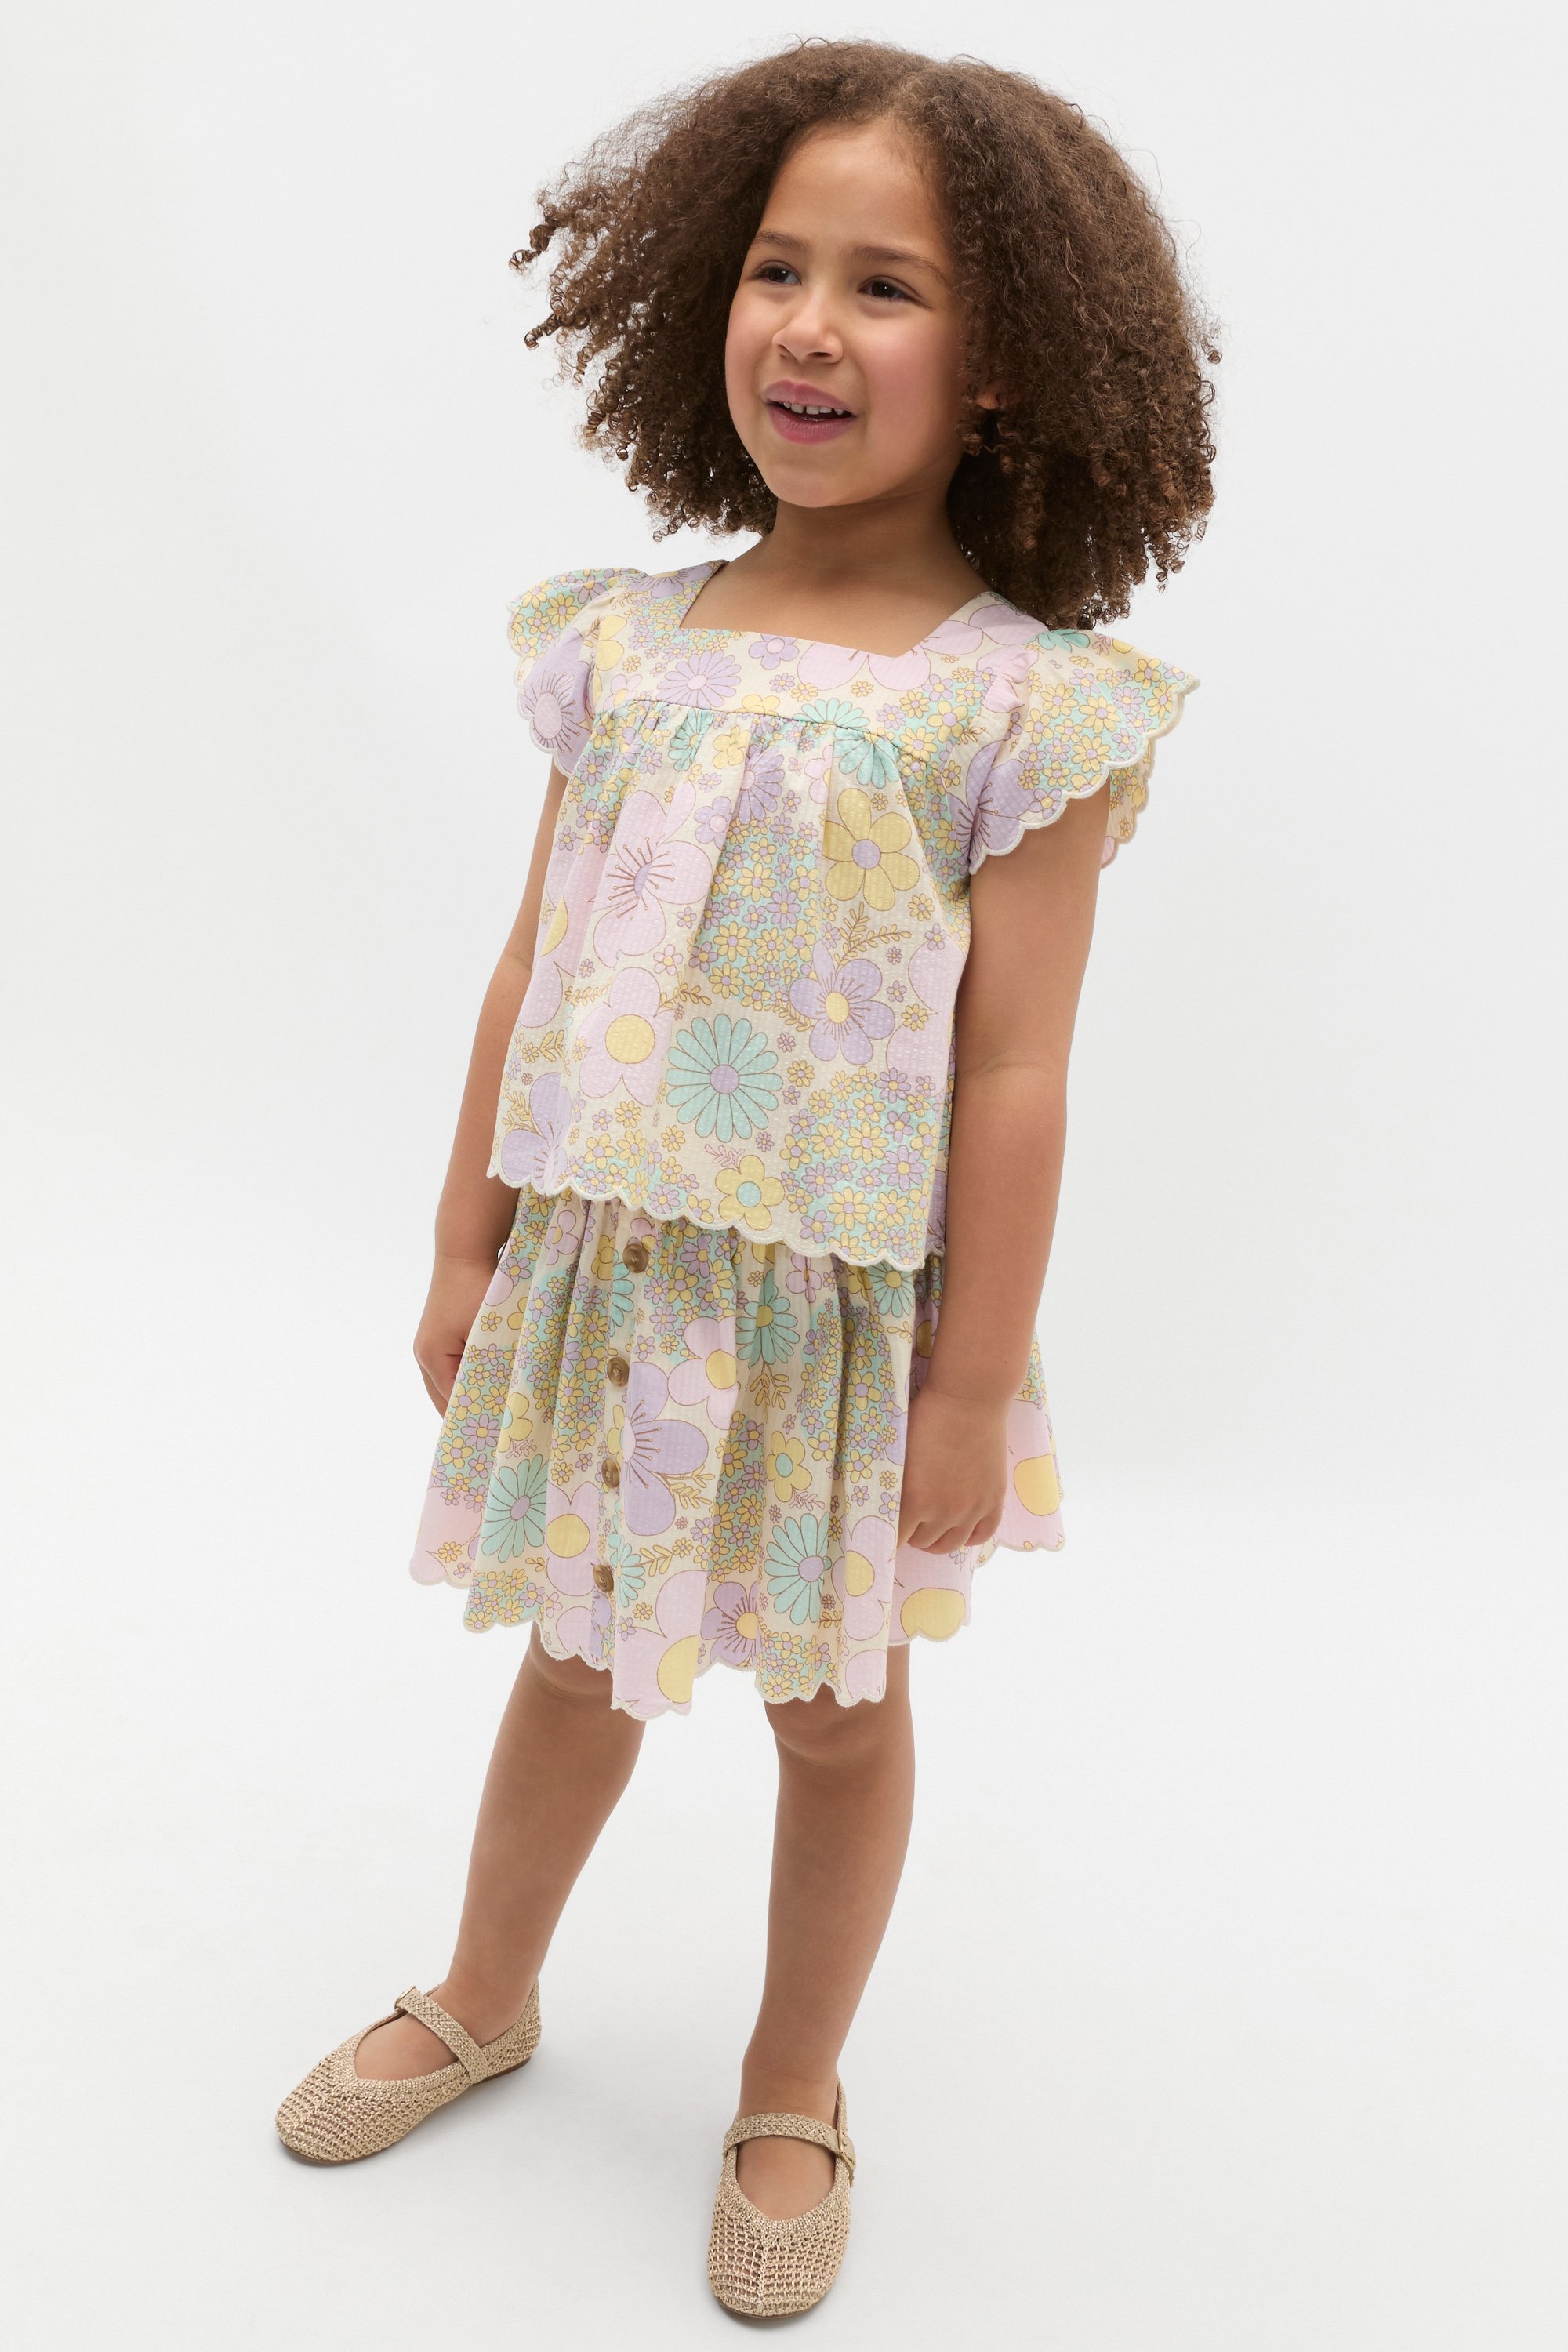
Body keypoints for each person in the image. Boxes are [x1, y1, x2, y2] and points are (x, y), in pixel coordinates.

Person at [276, 38, 1215, 2317]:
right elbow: (534, 960)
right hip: (604, 1269)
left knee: (837, 1711)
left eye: (887, 286)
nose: (810, 324)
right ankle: (485, 1991)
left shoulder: (1021, 708)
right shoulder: (623, 641)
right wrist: (466, 1237)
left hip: (841, 1315)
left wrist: (970, 1387)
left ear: (1008, 365)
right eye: (778, 268)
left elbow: (1017, 1070)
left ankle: (794, 2084)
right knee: (572, 1660)